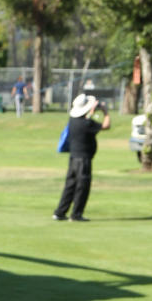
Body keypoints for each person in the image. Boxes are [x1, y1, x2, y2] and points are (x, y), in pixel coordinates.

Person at [53, 92, 111, 221]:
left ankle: (60, 212)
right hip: (83, 159)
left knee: (70, 186)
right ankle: (76, 214)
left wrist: (91, 110)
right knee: (82, 187)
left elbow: (85, 117)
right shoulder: (87, 124)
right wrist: (105, 112)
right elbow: (106, 125)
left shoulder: (73, 120)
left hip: (73, 158)